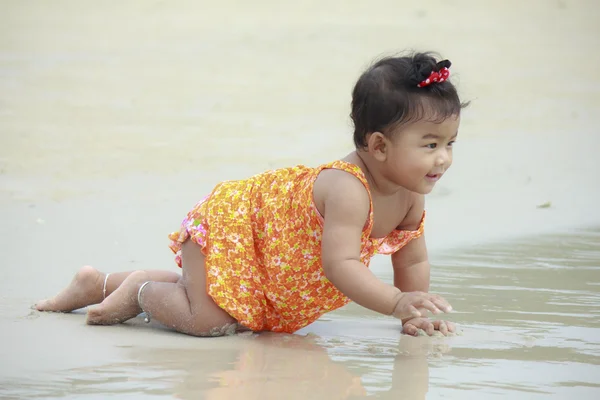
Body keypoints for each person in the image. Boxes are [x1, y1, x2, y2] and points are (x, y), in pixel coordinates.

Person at [35, 51, 466, 337]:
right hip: (236, 229)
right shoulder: (349, 188)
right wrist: (394, 302)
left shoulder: (411, 194)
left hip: (268, 259)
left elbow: (412, 258)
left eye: (449, 144)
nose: (442, 159)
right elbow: (340, 265)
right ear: (378, 146)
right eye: (429, 145)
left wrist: (415, 314)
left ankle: (95, 283)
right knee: (208, 321)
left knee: (238, 314)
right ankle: (139, 289)